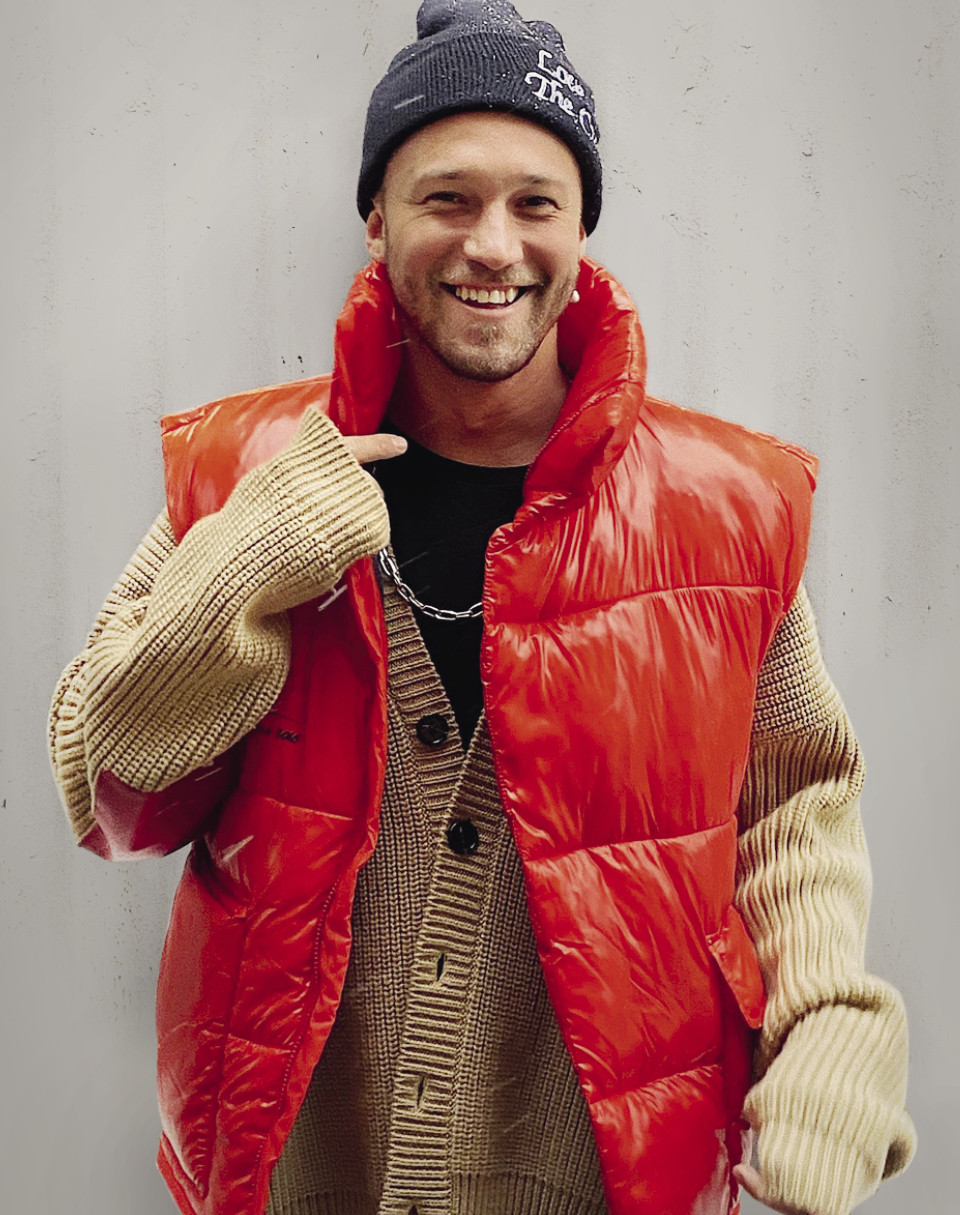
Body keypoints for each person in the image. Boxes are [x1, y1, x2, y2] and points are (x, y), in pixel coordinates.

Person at [48, 2, 916, 1214]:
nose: (493, 245)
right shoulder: (241, 475)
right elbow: (110, 798)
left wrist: (827, 1018)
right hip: (294, 1169)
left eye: (535, 203)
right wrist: (239, 569)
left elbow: (795, 809)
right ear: (378, 220)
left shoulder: (728, 505)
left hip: (599, 1173)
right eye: (447, 198)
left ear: (581, 227)